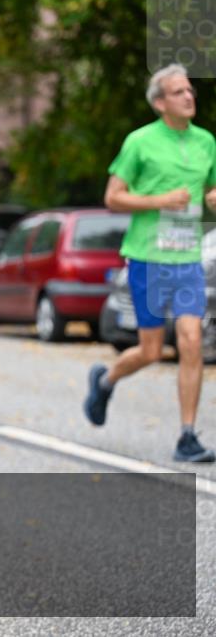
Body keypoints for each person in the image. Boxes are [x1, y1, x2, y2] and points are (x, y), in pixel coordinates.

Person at [83, 64, 216, 463]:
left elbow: (208, 187)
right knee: (151, 351)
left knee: (192, 341)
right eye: (179, 92)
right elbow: (113, 197)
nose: (189, 97)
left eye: (190, 90)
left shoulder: (206, 141)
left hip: (188, 257)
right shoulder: (139, 142)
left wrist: (211, 197)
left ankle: (187, 436)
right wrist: (158, 201)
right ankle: (105, 381)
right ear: (160, 103)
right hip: (148, 258)